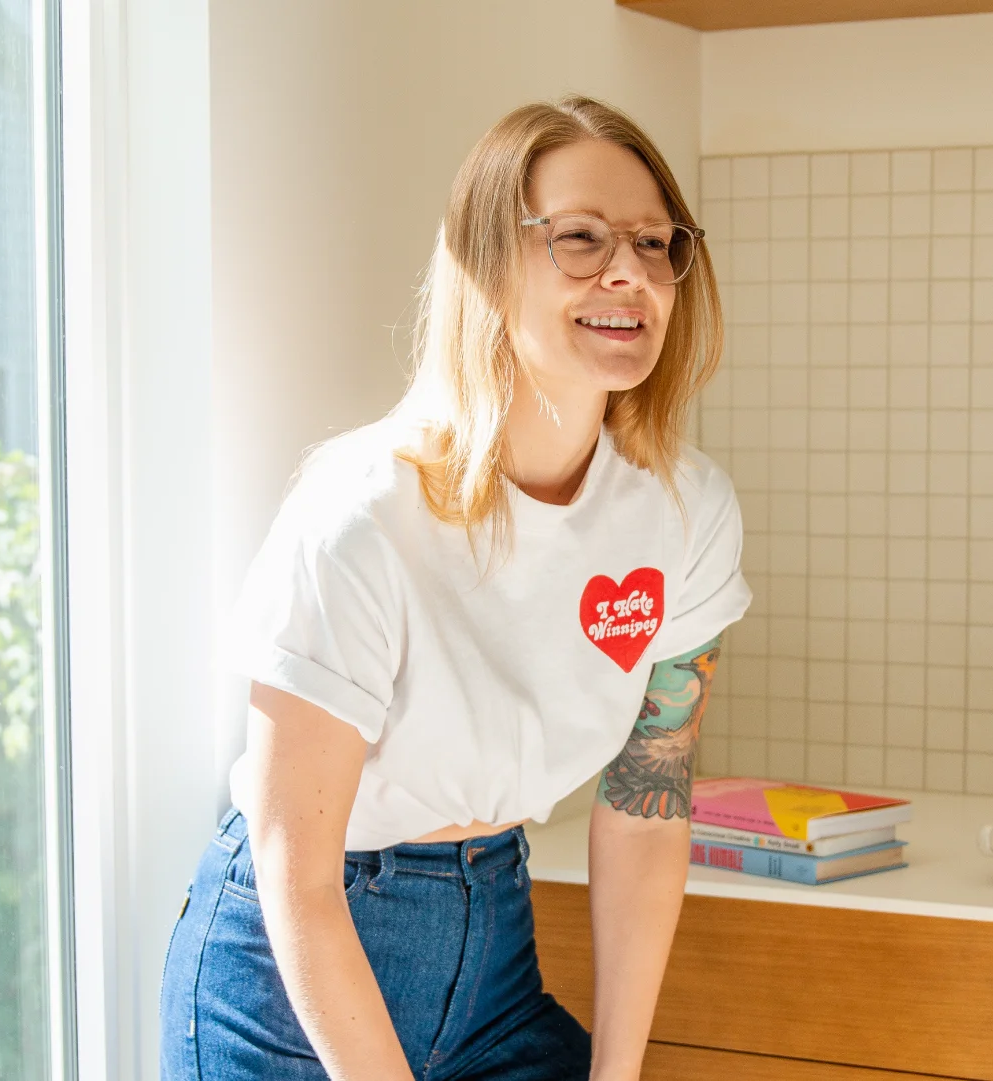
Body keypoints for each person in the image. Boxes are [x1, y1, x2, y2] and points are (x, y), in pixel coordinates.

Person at [160, 93, 752, 1081]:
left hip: (494, 956)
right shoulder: (363, 514)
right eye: (580, 237)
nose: (629, 271)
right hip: (291, 975)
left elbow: (647, 806)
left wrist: (617, 1073)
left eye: (657, 243)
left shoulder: (684, 508)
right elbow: (293, 873)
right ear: (485, 259)